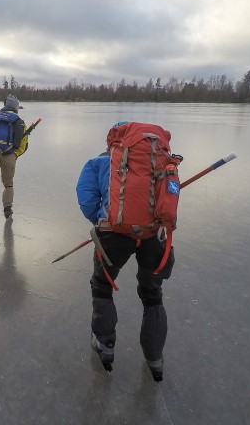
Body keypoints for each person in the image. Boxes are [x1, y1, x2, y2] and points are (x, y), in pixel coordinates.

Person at [75, 121, 175, 381]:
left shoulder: (97, 163)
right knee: (153, 295)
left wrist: (102, 222)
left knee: (102, 286)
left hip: (113, 235)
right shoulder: (159, 161)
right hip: (154, 236)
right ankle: (155, 357)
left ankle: (105, 345)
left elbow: (86, 198)